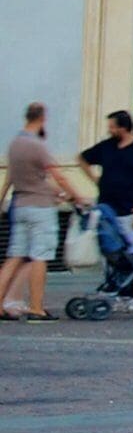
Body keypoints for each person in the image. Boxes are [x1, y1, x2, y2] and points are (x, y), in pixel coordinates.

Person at [77, 109, 133, 309]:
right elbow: (83, 158)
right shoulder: (107, 146)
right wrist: (96, 179)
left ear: (123, 127)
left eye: (112, 126)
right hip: (108, 207)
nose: (109, 130)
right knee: (112, 250)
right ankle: (115, 286)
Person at [1, 103, 58, 319]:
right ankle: (36, 307)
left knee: (14, 256)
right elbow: (55, 174)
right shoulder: (37, 146)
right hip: (40, 205)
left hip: (20, 204)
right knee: (39, 256)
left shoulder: (14, 144)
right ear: (42, 118)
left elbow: (9, 178)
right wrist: (71, 195)